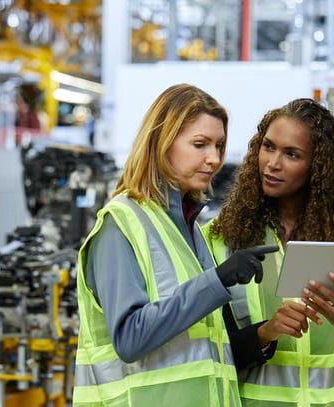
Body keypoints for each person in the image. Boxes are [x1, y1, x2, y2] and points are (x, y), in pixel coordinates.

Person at [72, 84, 277, 406]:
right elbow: (130, 338)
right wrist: (218, 280)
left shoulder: (190, 228)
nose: (213, 159)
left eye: (219, 146)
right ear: (161, 143)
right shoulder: (121, 224)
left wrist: (265, 333)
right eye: (200, 144)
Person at [203, 98, 334, 406]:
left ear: (318, 166)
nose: (273, 163)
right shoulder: (222, 238)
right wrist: (266, 332)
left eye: (292, 154)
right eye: (269, 146)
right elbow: (214, 352)